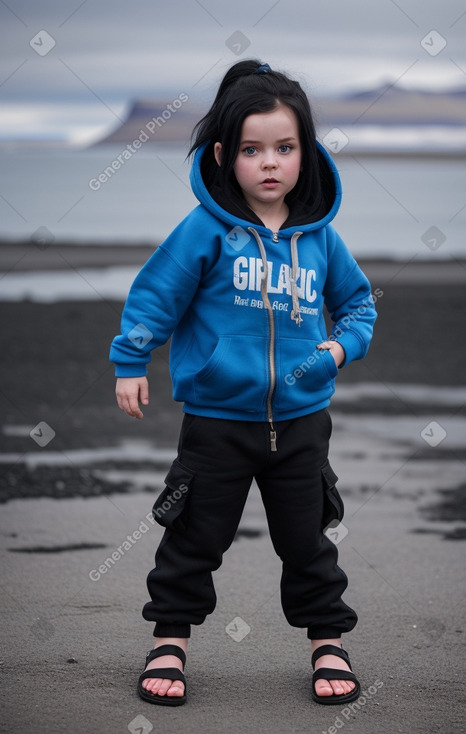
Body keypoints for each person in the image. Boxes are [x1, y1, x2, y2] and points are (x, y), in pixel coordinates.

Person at [110, 59, 377, 707]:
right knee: (193, 535)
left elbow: (359, 307)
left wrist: (336, 350)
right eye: (253, 150)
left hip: (301, 422)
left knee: (306, 540)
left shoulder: (320, 240)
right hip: (216, 422)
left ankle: (326, 643)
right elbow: (155, 299)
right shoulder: (205, 231)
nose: (269, 163)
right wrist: (129, 363)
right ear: (226, 156)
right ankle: (169, 641)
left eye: (284, 148)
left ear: (303, 155)